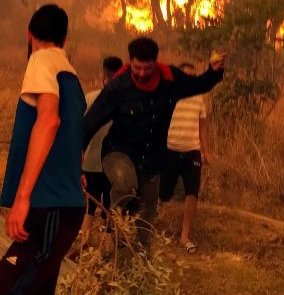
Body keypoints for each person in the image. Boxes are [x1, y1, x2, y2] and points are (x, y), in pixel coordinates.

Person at [0, 4, 86, 294]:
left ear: (29, 34)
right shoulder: (71, 75)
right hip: (64, 207)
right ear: (65, 38)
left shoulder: (41, 59)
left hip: (47, 205)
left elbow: (49, 120)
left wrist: (22, 198)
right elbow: (73, 134)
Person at [83, 37, 225, 248]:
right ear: (130, 62)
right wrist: (77, 155)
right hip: (118, 153)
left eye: (147, 68)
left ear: (155, 63)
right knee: (126, 184)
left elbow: (198, 84)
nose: (141, 73)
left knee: (147, 213)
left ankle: (141, 253)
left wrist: (213, 71)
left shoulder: (170, 80)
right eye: (137, 68)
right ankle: (114, 228)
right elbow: (89, 123)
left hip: (151, 159)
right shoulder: (117, 87)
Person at [159, 62, 213, 254]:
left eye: (192, 77)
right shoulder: (168, 95)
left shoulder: (198, 98)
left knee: (192, 192)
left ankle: (185, 236)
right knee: (163, 193)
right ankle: (152, 228)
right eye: (185, 76)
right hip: (170, 150)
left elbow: (203, 127)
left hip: (192, 151)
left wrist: (206, 151)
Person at [81, 56, 124, 241]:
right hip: (114, 164)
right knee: (110, 206)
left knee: (89, 205)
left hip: (90, 162)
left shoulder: (90, 98)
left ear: (103, 77)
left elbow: (80, 130)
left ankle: (84, 243)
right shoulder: (125, 102)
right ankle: (107, 249)